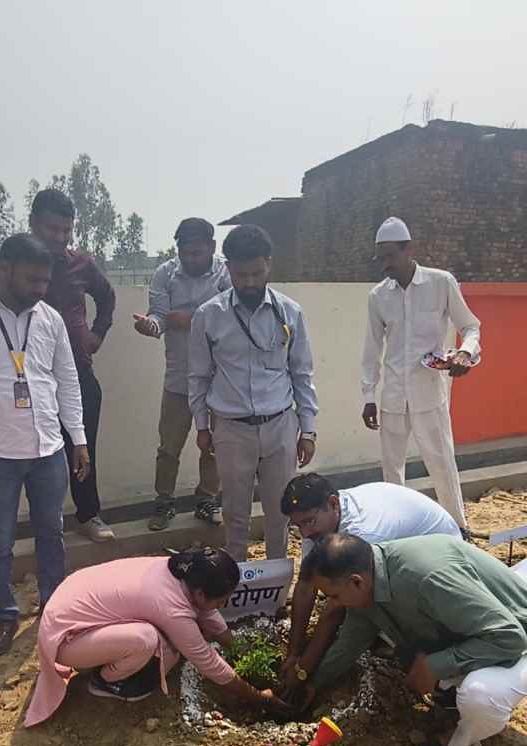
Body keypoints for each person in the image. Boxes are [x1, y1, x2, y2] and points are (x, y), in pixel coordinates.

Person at [0, 234, 89, 656]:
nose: (40, 290)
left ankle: (53, 607)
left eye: (45, 282)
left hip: (49, 449)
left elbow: (67, 380)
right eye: (32, 280)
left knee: (52, 532)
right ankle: (6, 614)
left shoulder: (49, 318)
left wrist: (78, 439)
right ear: (4, 268)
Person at [300, 532, 527, 746]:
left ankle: (460, 744)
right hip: (484, 631)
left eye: (334, 596)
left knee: (479, 696)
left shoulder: (426, 577)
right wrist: (314, 683)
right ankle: (451, 695)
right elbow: (350, 642)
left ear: (356, 582)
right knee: (410, 654)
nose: (335, 603)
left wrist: (436, 665)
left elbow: (509, 636)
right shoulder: (370, 576)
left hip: (517, 634)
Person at [0, 189, 116, 543]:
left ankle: (88, 514)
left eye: (67, 230)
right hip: (20, 381)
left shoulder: (81, 263)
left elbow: (107, 297)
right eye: (53, 229)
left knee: (81, 446)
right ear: (33, 223)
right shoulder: (6, 261)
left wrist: (96, 335)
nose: (61, 238)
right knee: (23, 457)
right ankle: (28, 526)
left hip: (77, 373)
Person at [25, 546, 290, 725]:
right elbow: (206, 660)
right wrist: (258, 696)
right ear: (200, 593)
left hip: (73, 607)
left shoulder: (184, 572)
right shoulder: (171, 606)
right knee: (147, 640)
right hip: (65, 638)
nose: (223, 605)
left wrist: (238, 648)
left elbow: (208, 613)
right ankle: (105, 681)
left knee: (166, 647)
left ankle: (106, 660)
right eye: (222, 600)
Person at [189, 225, 318, 562]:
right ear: (228, 267)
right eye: (241, 274)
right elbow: (198, 377)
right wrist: (202, 426)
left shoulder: (290, 312)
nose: (249, 282)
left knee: (281, 512)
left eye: (256, 273)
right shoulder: (209, 316)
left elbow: (302, 374)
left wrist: (308, 430)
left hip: (280, 426)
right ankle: (236, 578)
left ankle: (276, 578)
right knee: (234, 513)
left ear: (269, 264)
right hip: (231, 429)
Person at [280, 473, 461, 688]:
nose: (305, 533)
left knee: (364, 609)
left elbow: (336, 608)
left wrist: (303, 670)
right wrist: (294, 653)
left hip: (442, 565)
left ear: (333, 503)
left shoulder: (363, 533)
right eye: (298, 525)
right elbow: (306, 583)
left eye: (308, 522)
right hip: (406, 552)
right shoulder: (321, 521)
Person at [361, 216, 481, 531]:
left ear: (409, 249)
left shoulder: (441, 283)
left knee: (442, 464)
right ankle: (398, 530)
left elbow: (471, 326)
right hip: (393, 398)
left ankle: (458, 529)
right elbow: (371, 351)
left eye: (390, 256)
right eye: (380, 258)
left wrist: (465, 353)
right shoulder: (378, 296)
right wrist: (368, 396)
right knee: (392, 472)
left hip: (429, 393)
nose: (385, 264)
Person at [133, 219, 230, 531]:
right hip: (179, 378)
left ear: (211, 247)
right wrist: (152, 325)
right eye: (184, 253)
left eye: (197, 253)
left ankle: (207, 500)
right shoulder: (165, 273)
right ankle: (164, 503)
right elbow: (161, 316)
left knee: (214, 445)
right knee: (168, 447)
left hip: (218, 379)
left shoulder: (225, 274)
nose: (190, 259)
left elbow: (233, 318)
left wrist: (190, 318)